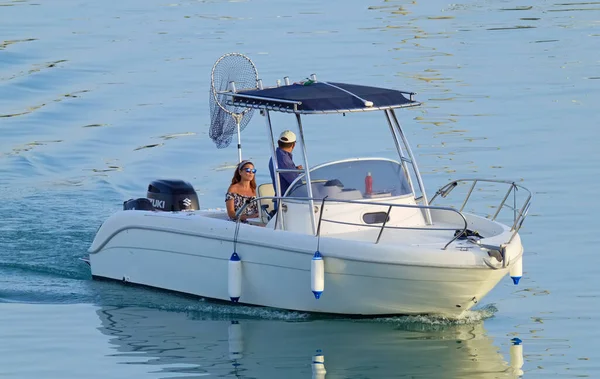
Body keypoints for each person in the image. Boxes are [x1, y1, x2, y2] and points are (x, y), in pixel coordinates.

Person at [268, 130, 304, 197]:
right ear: (293, 145)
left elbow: (284, 172)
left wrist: (295, 170)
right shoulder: (284, 159)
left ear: (278, 142)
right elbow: (296, 183)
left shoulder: (275, 155)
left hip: (281, 197)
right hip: (286, 200)